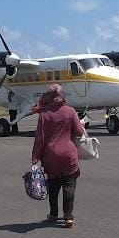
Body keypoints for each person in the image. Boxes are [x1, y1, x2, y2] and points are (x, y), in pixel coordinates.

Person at [31, 84, 84, 228]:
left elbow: (39, 139)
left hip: (50, 157)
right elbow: (79, 131)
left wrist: (35, 158)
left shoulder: (43, 115)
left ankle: (53, 214)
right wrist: (81, 125)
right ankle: (68, 217)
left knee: (53, 186)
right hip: (69, 155)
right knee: (69, 186)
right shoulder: (70, 111)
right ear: (63, 96)